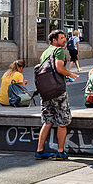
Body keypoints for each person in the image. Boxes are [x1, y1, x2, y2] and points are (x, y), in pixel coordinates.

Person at [36, 30, 76, 160]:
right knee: (62, 122)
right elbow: (59, 68)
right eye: (62, 38)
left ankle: (40, 151)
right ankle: (60, 152)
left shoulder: (45, 52)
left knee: (47, 122)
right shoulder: (59, 51)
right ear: (54, 40)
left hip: (45, 92)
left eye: (65, 38)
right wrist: (70, 74)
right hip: (58, 92)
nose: (64, 40)